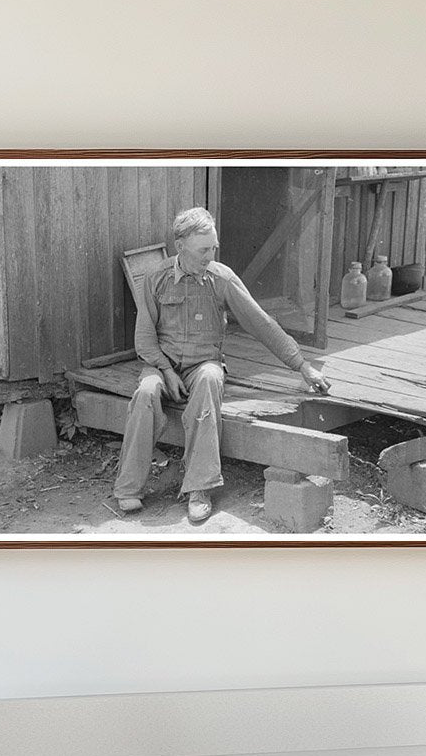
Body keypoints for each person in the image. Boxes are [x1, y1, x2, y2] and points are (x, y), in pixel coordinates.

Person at [113, 206, 330, 524]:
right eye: (203, 249)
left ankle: (199, 490)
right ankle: (129, 487)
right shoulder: (156, 279)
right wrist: (167, 372)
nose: (210, 254)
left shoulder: (221, 278)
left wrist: (302, 366)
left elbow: (263, 324)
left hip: (205, 364)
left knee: (210, 381)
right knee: (145, 392)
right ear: (181, 247)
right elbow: (144, 341)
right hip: (161, 366)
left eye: (213, 247)